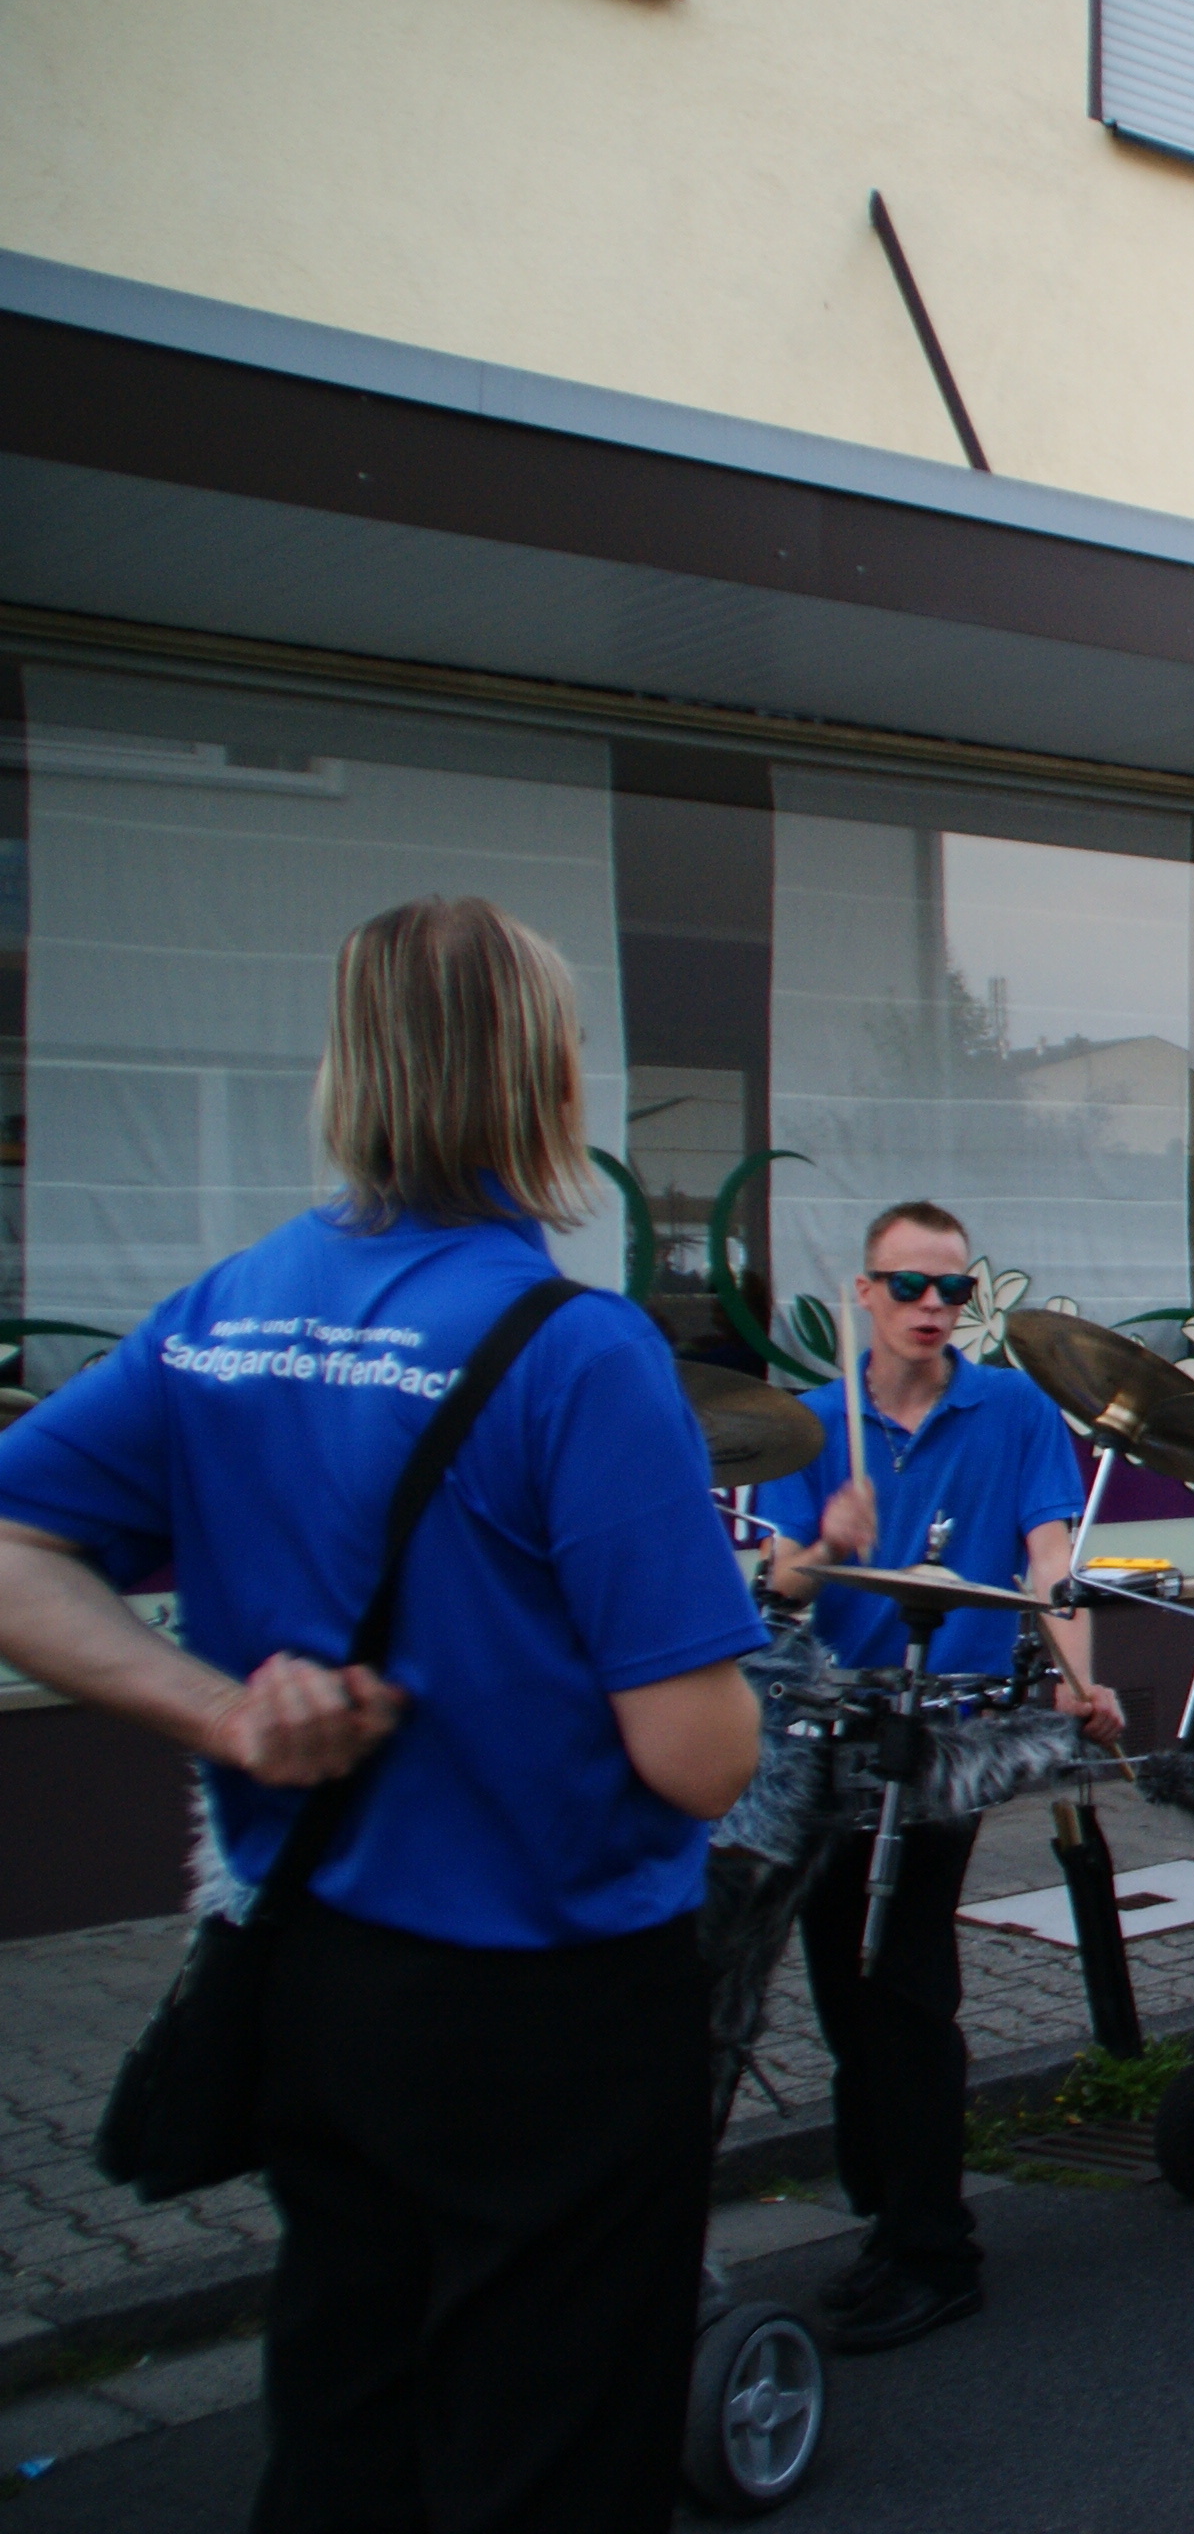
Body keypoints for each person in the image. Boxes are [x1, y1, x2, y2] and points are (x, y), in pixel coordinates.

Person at [0, 897, 764, 2530]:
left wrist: (223, 1714)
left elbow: (14, 1546)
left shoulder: (226, 1310)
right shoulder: (578, 1350)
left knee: (346, 2427)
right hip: (550, 2003)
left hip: (314, 1973)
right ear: (551, 1081)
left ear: (348, 1070)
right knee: (545, 2456)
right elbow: (697, 1760)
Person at [754, 1201, 1123, 2354]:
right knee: (842, 1984)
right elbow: (776, 1588)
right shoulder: (810, 1421)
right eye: (908, 1286)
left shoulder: (1011, 1408)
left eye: (952, 1289)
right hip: (828, 1728)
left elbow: (1049, 1557)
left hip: (945, 1732)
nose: (931, 1307)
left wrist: (1078, 1678)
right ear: (863, 1293)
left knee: (904, 1979)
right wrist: (829, 1543)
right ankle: (889, 2218)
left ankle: (935, 2250)